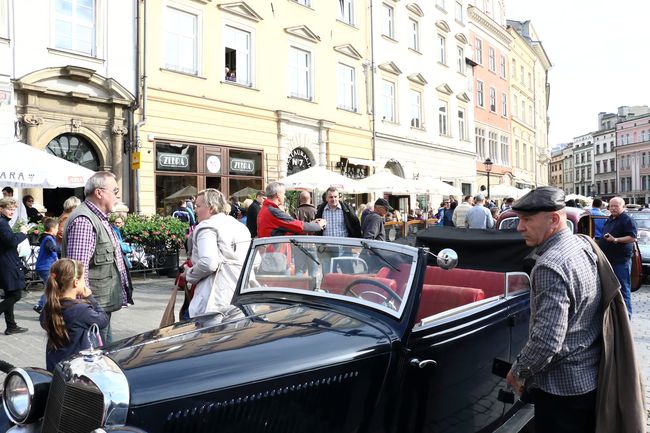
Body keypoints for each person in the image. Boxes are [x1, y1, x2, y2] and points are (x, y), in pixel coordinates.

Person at [506, 186, 602, 433]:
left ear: (555, 219)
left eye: (527, 219)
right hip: (587, 377)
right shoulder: (581, 245)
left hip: (562, 389)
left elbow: (547, 341)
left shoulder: (550, 265)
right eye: (519, 219)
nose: (519, 227)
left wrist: (518, 372)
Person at [62, 171, 132, 344]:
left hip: (100, 306)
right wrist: (85, 311)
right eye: (115, 191)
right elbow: (77, 273)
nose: (118, 195)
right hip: (92, 310)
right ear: (99, 192)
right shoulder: (85, 221)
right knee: (96, 358)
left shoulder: (100, 218)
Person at [182, 189, 252, 317]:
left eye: (198, 206)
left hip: (214, 297)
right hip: (242, 293)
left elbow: (208, 263)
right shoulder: (240, 226)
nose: (194, 210)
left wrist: (189, 274)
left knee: (207, 334)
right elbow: (254, 260)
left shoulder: (206, 227)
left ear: (212, 208)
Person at [40, 258, 109, 372]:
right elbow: (103, 320)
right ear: (76, 282)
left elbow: (43, 322)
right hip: (76, 368)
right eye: (83, 280)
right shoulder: (80, 310)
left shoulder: (49, 307)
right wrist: (90, 298)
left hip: (55, 366)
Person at [598, 196, 637, 317]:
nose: (613, 208)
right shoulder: (610, 218)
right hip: (608, 260)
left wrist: (615, 240)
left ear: (623, 207)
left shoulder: (627, 219)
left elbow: (633, 237)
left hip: (620, 261)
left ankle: (626, 318)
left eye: (616, 206)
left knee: (623, 289)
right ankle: (614, 317)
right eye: (611, 206)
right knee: (610, 289)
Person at [0, 198, 29, 335]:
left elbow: (6, 242)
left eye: (13, 209)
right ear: (1, 209)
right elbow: (11, 241)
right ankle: (11, 326)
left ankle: (11, 326)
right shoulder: (2, 223)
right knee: (16, 294)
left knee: (10, 294)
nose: (11, 211)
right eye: (9, 208)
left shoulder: (3, 222)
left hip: (6, 260)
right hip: (7, 263)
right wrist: (23, 233)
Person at [257, 182, 325, 238]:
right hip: (275, 251)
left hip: (271, 250)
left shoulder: (266, 208)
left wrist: (311, 224)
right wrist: (318, 226)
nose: (284, 196)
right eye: (283, 194)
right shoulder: (273, 211)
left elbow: (291, 228)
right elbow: (297, 225)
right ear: (277, 195)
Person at [33, 217, 61, 314]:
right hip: (46, 267)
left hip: (44, 267)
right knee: (52, 288)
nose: (58, 230)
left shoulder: (46, 238)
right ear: (52, 229)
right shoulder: (48, 238)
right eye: (57, 228)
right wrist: (60, 249)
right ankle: (42, 308)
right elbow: (51, 248)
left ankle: (41, 305)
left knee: (50, 287)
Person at [291, 191, 318, 276]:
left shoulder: (296, 212)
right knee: (313, 272)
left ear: (300, 200)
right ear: (310, 199)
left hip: (299, 245)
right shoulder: (316, 212)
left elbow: (292, 228)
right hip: (313, 244)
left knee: (299, 270)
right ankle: (312, 288)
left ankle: (299, 288)